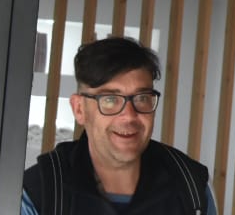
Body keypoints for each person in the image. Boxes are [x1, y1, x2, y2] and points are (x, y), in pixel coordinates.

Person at [23, 36, 219, 214]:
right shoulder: (40, 191)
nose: (129, 116)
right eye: (110, 99)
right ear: (79, 109)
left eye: (142, 98)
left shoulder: (191, 186)